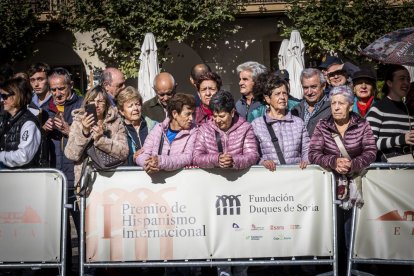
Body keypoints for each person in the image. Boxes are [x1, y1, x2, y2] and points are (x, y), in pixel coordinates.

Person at [309, 85, 377, 276]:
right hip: (329, 188)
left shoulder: (361, 124)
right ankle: (333, 270)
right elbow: (313, 153)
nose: (336, 107)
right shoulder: (323, 125)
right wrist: (333, 162)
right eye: (333, 103)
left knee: (353, 232)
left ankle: (352, 269)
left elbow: (371, 151)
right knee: (332, 232)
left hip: (356, 187)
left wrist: (352, 164)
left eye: (341, 103)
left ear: (350, 105)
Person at [65, 84, 128, 184]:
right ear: (86, 103)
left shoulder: (116, 122)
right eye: (92, 100)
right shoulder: (78, 122)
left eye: (100, 101)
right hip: (87, 181)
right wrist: (84, 133)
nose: (96, 104)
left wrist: (101, 140)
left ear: (106, 103)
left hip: (113, 179)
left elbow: (124, 152)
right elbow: (71, 155)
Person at [251, 75, 309, 171]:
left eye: (285, 93)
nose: (282, 97)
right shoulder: (257, 125)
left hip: (296, 177)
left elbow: (307, 149)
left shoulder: (298, 122)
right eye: (277, 94)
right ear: (267, 98)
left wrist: (306, 161)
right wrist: (262, 162)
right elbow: (252, 153)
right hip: (270, 177)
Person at [193, 90, 259, 169]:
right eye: (215, 116)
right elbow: (196, 158)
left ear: (232, 113)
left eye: (221, 116)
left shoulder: (245, 128)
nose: (217, 120)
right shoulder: (204, 129)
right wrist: (216, 159)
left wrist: (233, 161)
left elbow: (252, 156)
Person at [137, 93, 197, 174]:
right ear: (175, 114)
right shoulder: (158, 129)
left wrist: (161, 162)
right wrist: (148, 164)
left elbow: (187, 158)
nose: (191, 118)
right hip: (157, 182)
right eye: (188, 114)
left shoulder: (194, 131)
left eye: (193, 114)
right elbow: (142, 154)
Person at [366, 64, 414, 161]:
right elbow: (368, 145)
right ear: (389, 83)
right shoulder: (378, 109)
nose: (406, 83)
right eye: (402, 79)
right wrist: (401, 139)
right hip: (385, 169)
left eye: (408, 79)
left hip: (408, 169)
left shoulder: (409, 110)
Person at [0, 77, 41, 168]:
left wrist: (1, 156)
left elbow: (24, 156)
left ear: (17, 96)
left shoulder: (29, 123)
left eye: (4, 96)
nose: (2, 100)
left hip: (24, 179)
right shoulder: (5, 119)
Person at [116, 86, 157, 165]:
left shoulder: (154, 126)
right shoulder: (118, 130)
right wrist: (132, 159)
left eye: (137, 104)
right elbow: (115, 159)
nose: (135, 108)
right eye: (130, 106)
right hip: (130, 174)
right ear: (121, 111)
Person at [291, 68, 331, 136]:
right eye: (306, 88)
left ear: (324, 86)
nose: (309, 92)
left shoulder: (333, 109)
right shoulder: (296, 110)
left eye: (313, 87)